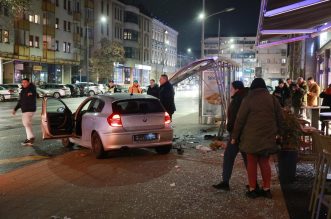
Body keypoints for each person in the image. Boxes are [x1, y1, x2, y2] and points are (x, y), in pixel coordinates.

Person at [231, 78, 283, 199]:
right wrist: (281, 133)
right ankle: (266, 189)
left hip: (250, 137)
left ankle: (252, 189)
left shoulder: (248, 99)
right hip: (267, 136)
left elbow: (240, 119)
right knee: (265, 162)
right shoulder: (272, 99)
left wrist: (234, 136)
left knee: (252, 163)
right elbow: (280, 118)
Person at [212, 81, 248, 191]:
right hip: (243, 134)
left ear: (236, 89)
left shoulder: (238, 99)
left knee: (229, 157)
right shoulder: (243, 97)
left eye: (231, 88)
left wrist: (232, 132)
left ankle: (225, 182)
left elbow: (237, 119)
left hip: (237, 135)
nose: (230, 90)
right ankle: (253, 182)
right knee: (246, 159)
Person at [12, 78, 37, 146]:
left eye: (25, 82)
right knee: (27, 124)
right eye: (22, 82)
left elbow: (32, 95)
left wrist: (30, 93)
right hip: (26, 110)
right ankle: (29, 137)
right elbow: (20, 101)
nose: (23, 83)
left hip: (29, 109)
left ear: (28, 83)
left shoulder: (32, 89)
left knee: (26, 123)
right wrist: (15, 109)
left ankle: (30, 138)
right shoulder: (23, 91)